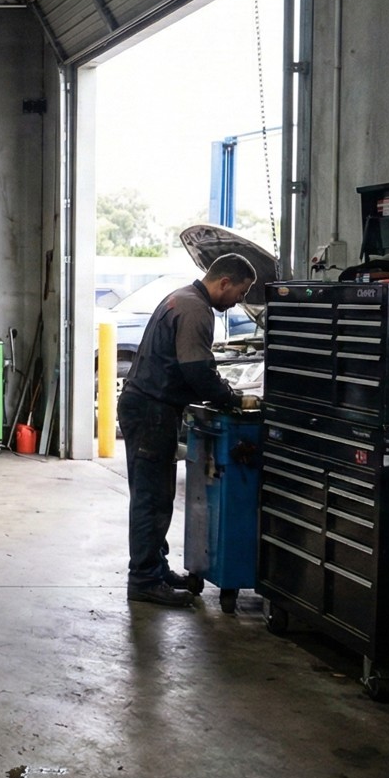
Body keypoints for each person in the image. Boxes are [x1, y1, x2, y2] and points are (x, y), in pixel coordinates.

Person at [117, 253, 259, 606]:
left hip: (148, 406)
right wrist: (230, 398)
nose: (238, 301)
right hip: (152, 410)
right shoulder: (197, 309)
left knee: (157, 494)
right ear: (224, 282)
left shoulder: (181, 297)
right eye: (240, 293)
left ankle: (155, 566)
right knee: (152, 498)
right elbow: (196, 370)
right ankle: (145, 580)